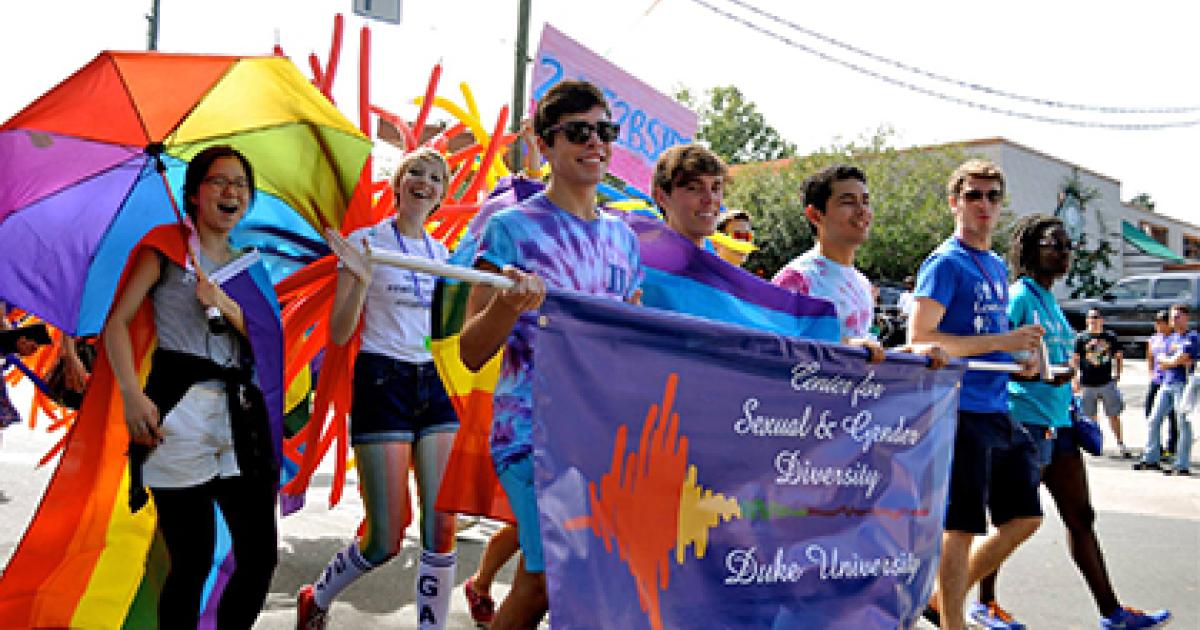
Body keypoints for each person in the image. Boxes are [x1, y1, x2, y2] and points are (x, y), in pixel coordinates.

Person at [458, 79, 643, 630]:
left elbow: (628, 344)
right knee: (543, 581)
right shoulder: (509, 229)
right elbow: (471, 349)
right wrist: (507, 307)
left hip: (599, 435)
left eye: (605, 131)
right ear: (544, 145)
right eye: (578, 132)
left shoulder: (624, 239)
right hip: (528, 433)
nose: (595, 143)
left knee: (570, 581)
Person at [103, 145, 279, 628]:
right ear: (195, 194)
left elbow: (266, 340)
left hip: (240, 421)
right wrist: (131, 396)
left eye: (241, 184)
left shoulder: (249, 266)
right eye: (219, 182)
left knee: (260, 557)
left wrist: (221, 299)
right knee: (192, 561)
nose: (231, 192)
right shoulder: (165, 246)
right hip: (177, 416)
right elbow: (116, 323)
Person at [970, 214, 1171, 630]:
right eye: (1053, 244)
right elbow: (995, 357)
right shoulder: (1018, 296)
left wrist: (1064, 378)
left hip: (1060, 425)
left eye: (1067, 246)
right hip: (1024, 423)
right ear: (1030, 250)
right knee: (1011, 522)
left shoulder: (1050, 303)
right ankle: (981, 602)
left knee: (1081, 517)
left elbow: (1051, 359)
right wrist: (1035, 371)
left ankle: (1112, 613)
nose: (1064, 252)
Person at [296, 148, 459, 630]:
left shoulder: (444, 257)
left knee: (441, 526)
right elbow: (340, 332)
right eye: (417, 173)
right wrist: (362, 279)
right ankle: (317, 596)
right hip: (381, 380)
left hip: (434, 385)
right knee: (385, 539)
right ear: (399, 180)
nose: (425, 182)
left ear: (443, 194)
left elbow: (449, 332)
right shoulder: (364, 242)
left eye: (435, 177)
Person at [908, 159, 1044, 630]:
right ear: (954, 202)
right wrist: (1003, 344)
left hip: (996, 407)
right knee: (961, 528)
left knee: (1026, 518)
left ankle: (944, 599)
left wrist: (1018, 360)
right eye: (973, 195)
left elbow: (987, 337)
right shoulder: (946, 263)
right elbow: (923, 337)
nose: (983, 205)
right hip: (958, 410)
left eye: (992, 196)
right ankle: (953, 622)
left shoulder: (992, 264)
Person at [1135, 303, 1197, 475]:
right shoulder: (1172, 338)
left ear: (1186, 317)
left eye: (1177, 317)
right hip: (1166, 383)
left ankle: (1181, 464)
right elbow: (1159, 358)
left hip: (1184, 384)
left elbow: (1181, 358)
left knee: (1183, 424)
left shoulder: (1191, 337)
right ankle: (1151, 458)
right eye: (1171, 318)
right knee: (1153, 419)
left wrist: (1170, 360)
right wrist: (1170, 360)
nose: (1174, 321)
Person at [1072, 309, 1128, 457]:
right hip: (1087, 383)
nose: (1093, 320)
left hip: (1106, 382)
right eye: (1090, 317)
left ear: (1101, 320)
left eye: (1096, 317)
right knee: (1091, 417)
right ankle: (1096, 443)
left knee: (1113, 414)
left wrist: (1118, 373)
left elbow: (1119, 355)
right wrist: (1075, 379)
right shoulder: (1081, 338)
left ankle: (1120, 443)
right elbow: (1075, 359)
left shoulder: (1109, 337)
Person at [1146, 311, 1179, 459]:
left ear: (1168, 324)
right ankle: (1155, 446)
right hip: (1157, 380)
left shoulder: (1175, 339)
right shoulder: (1153, 339)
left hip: (1171, 380)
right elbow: (1150, 356)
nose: (1157, 325)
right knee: (1150, 412)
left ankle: (1171, 447)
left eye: (1160, 322)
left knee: (1173, 415)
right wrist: (1151, 372)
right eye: (1156, 322)